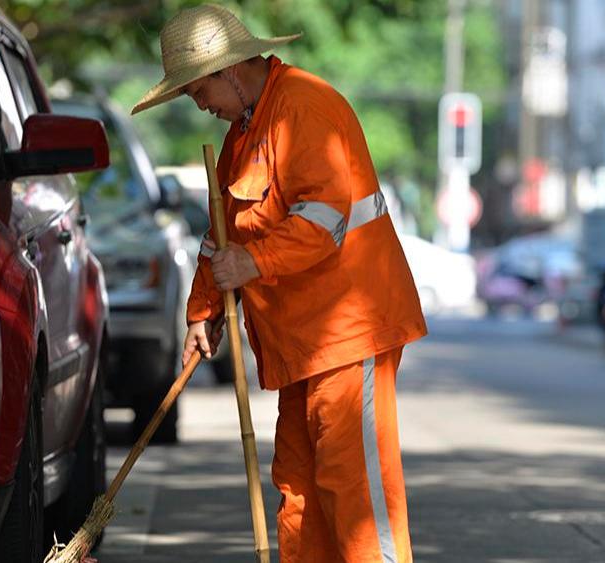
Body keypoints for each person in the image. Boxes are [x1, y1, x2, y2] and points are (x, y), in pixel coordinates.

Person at [132, 5, 427, 562]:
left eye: (198, 91)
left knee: (354, 492)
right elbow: (219, 236)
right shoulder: (244, 132)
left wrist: (253, 263)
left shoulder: (303, 107)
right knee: (300, 490)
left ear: (230, 71)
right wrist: (203, 312)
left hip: (348, 331)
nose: (199, 105)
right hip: (299, 343)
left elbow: (325, 216)